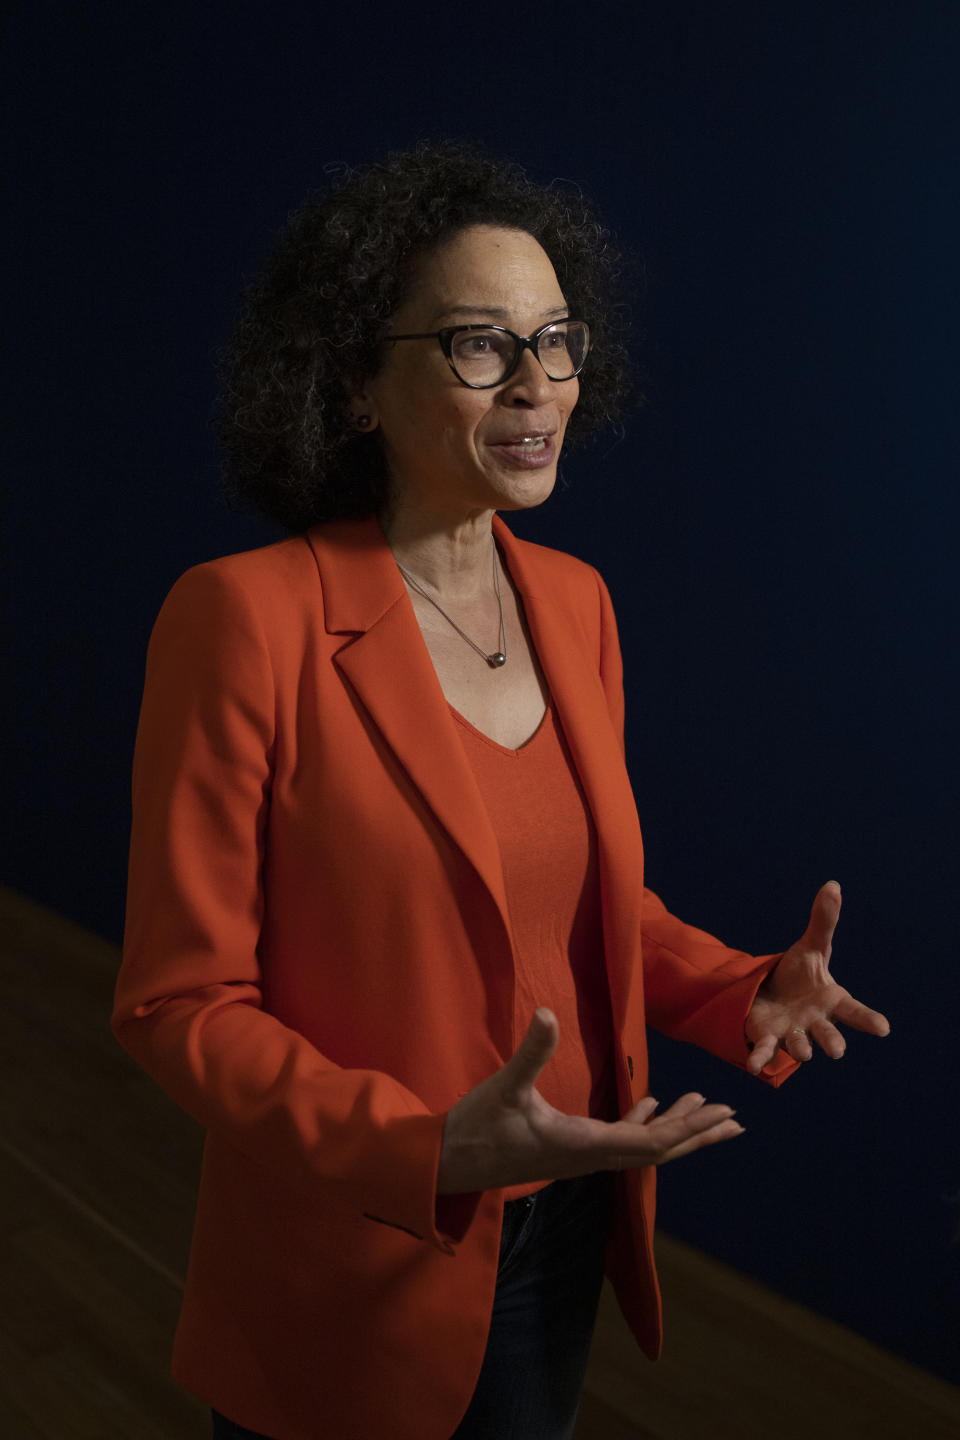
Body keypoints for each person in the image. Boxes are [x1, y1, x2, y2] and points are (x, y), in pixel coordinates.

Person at [111, 140, 890, 1440]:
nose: (538, 385)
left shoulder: (574, 601)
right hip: (364, 1247)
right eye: (480, 344)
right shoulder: (243, 619)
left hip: (566, 1221)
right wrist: (425, 1151)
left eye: (557, 340)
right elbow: (178, 1002)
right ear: (357, 377)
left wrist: (740, 985)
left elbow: (578, 907)